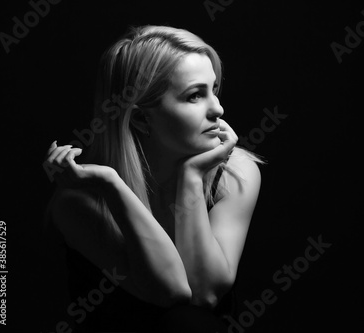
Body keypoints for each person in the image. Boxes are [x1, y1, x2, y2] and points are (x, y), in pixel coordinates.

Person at [43, 25, 263, 332]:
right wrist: (112, 185)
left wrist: (191, 177)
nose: (218, 108)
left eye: (214, 89)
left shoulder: (235, 173)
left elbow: (206, 295)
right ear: (141, 118)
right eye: (195, 96)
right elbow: (172, 293)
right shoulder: (80, 197)